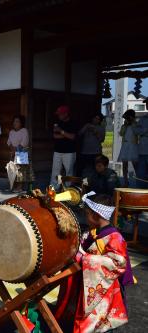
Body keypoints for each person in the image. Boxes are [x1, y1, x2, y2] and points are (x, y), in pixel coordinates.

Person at [56, 192, 134, 333]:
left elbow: (117, 264)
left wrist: (84, 258)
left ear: (96, 215)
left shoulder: (115, 237)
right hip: (92, 284)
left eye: (87, 214)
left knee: (100, 324)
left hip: (106, 289)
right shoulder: (93, 232)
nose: (86, 217)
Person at [50, 105, 79, 188]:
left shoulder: (73, 123)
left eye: (60, 114)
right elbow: (55, 136)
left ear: (66, 114)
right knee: (55, 171)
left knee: (69, 171)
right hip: (57, 150)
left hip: (70, 151)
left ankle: (68, 189)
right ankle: (54, 188)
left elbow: (73, 137)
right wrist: (66, 134)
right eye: (58, 114)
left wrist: (61, 131)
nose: (59, 116)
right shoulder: (58, 122)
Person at [6, 115, 33, 192]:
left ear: (21, 123)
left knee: (20, 171)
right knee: (11, 170)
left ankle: (19, 188)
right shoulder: (11, 132)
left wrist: (15, 150)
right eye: (14, 121)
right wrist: (13, 150)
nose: (15, 123)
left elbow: (24, 143)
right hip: (13, 153)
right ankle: (11, 187)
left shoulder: (24, 130)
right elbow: (9, 142)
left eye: (17, 121)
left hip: (22, 153)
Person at [78, 113, 106, 177]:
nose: (95, 120)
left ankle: (95, 184)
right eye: (95, 118)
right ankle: (81, 183)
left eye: (98, 119)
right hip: (85, 152)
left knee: (96, 169)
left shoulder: (101, 128)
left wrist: (95, 132)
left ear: (100, 121)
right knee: (82, 169)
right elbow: (79, 134)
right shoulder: (87, 125)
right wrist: (85, 127)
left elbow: (101, 140)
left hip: (96, 152)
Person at [118, 109, 139, 187]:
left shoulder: (136, 124)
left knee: (135, 164)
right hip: (125, 145)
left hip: (133, 145)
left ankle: (139, 181)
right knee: (124, 164)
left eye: (128, 118)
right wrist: (125, 125)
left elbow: (137, 132)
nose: (126, 119)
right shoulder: (124, 126)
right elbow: (121, 133)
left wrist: (132, 123)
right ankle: (125, 181)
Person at [134, 107, 148, 188]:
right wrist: (145, 130)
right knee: (141, 174)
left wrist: (143, 131)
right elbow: (136, 131)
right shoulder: (143, 118)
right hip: (142, 150)